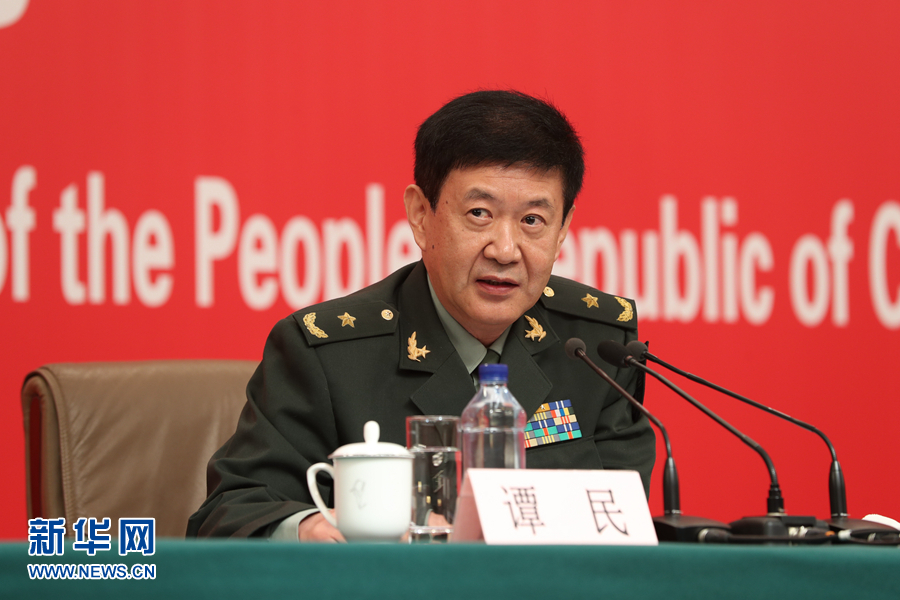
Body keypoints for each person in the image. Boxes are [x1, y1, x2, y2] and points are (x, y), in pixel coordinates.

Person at [187, 90, 655, 541]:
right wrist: (305, 529)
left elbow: (622, 529)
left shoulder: (598, 349)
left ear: (563, 230)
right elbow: (231, 514)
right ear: (420, 215)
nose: (505, 250)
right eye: (479, 213)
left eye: (532, 220)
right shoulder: (327, 357)